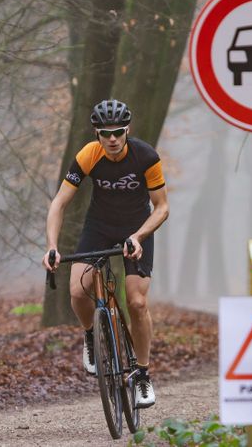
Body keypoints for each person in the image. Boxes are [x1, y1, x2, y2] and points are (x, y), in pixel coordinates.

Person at [43, 99, 169, 408]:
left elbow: (162, 207)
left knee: (137, 303)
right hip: (98, 226)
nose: (112, 139)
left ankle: (142, 375)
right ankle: (91, 336)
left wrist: (138, 236)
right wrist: (52, 246)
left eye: (118, 132)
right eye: (105, 133)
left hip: (136, 229)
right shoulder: (89, 155)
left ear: (127, 130)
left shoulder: (146, 157)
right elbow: (59, 203)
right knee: (77, 291)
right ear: (96, 134)